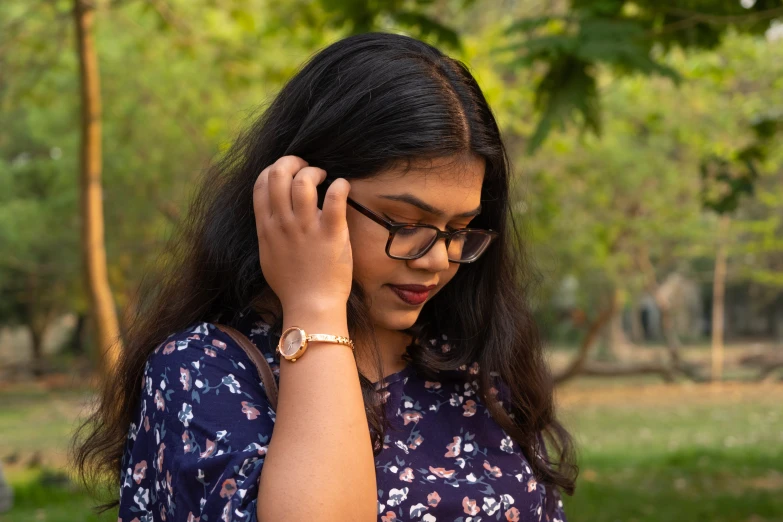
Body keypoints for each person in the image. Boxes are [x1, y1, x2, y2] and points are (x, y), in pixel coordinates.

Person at [73, 32, 577, 521]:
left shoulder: (469, 360)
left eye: (459, 229)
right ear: (303, 195)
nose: (436, 259)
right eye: (404, 224)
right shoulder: (203, 372)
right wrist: (315, 304)